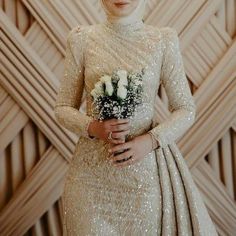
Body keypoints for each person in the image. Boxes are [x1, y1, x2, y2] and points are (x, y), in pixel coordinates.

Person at [54, 0, 218, 235]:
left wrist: (150, 141)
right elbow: (62, 108)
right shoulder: (81, 39)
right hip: (89, 181)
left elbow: (185, 109)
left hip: (143, 179)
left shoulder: (162, 40)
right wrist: (93, 127)